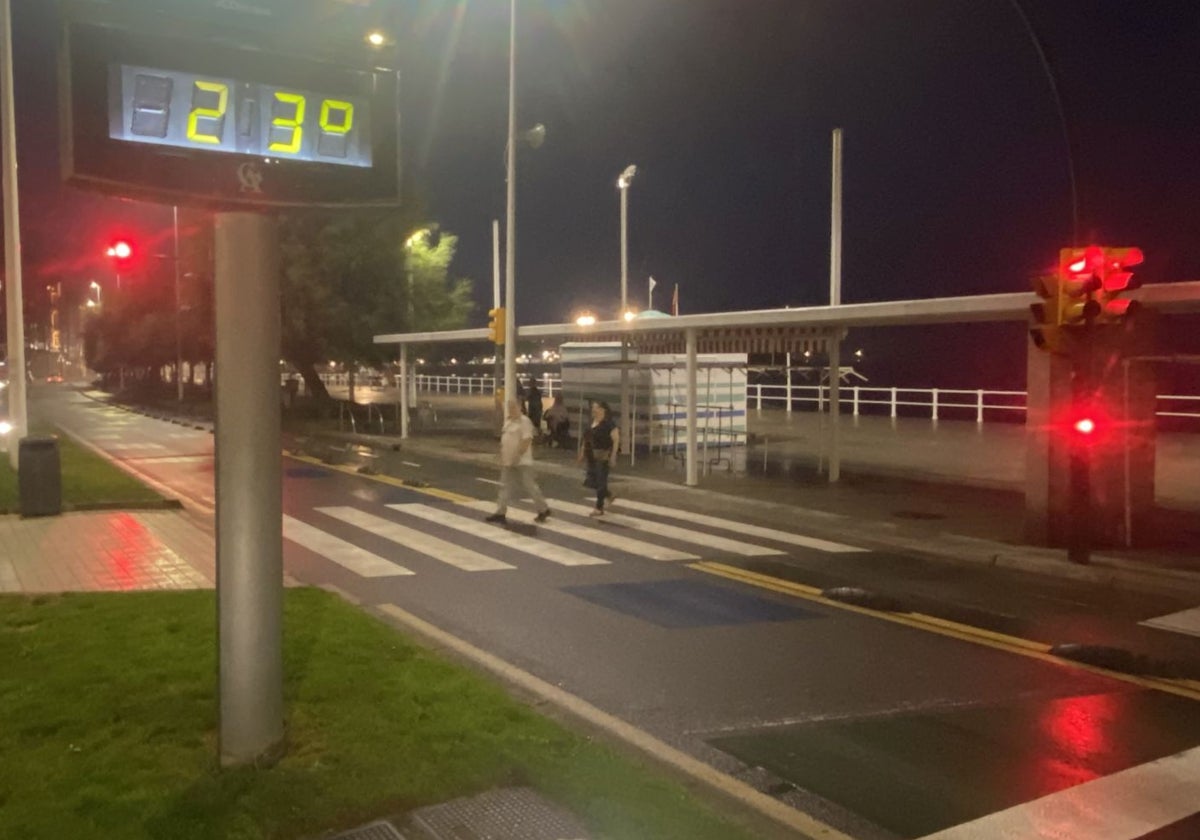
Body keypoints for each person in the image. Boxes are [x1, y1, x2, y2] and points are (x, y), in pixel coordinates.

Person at [486, 399, 551, 525]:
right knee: (504, 486)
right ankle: (500, 512)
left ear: (520, 407)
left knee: (529, 486)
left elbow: (526, 440)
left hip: (522, 462)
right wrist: (502, 454)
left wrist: (518, 455)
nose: (511, 409)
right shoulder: (508, 421)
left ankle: (543, 509)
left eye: (513, 407)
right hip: (508, 461)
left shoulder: (525, 421)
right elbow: (505, 439)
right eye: (509, 407)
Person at [579, 400, 619, 517]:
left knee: (601, 481)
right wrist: (582, 453)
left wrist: (613, 456)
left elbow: (615, 440)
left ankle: (599, 507)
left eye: (596, 407)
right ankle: (608, 494)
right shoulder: (591, 423)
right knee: (592, 481)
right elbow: (585, 439)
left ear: (603, 410)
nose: (593, 410)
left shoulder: (608, 424)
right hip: (591, 455)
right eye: (593, 408)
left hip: (603, 455)